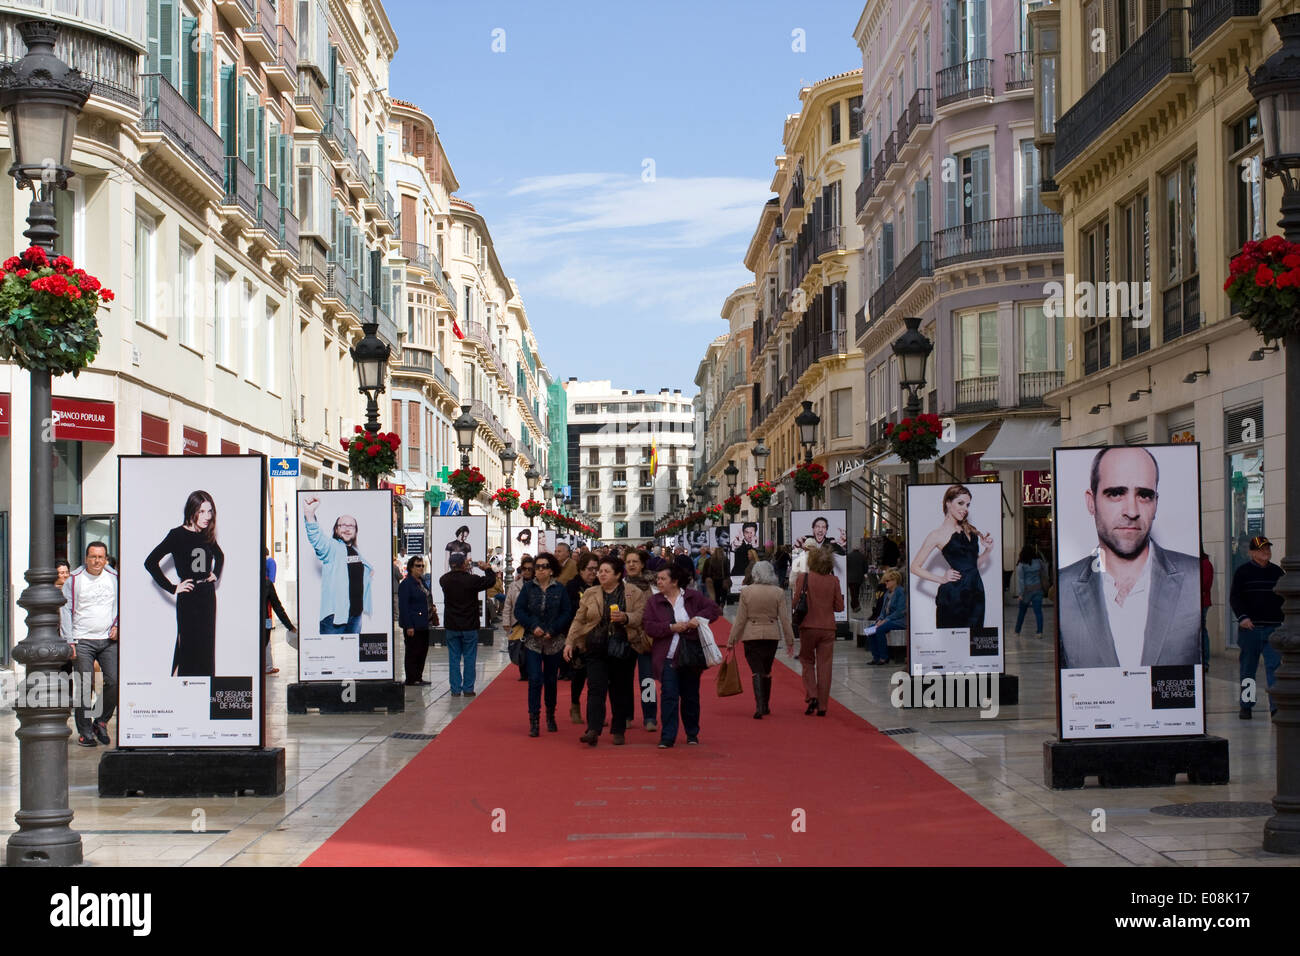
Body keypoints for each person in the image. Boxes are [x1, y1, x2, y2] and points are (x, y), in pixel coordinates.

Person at [1058, 446, 1201, 669]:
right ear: (1091, 501)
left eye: (1144, 495)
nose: (1131, 511)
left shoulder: (1193, 577)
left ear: (1156, 503)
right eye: (1115, 493)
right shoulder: (1064, 586)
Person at [564, 555, 649, 746]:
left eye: (605, 571)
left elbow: (641, 615)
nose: (600, 574)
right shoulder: (591, 593)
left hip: (623, 647)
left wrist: (626, 617)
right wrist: (570, 642)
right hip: (596, 646)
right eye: (599, 571)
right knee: (596, 688)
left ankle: (618, 729)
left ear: (618, 574)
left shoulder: (633, 592)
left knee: (620, 689)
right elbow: (579, 619)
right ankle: (593, 729)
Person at [144, 490, 224, 677]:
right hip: (188, 596)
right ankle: (182, 689)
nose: (207, 517)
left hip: (207, 595)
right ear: (191, 511)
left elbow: (220, 555)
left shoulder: (207, 535)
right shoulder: (176, 535)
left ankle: (204, 690)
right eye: (202, 511)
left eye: (210, 511)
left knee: (206, 644)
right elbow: (150, 562)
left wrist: (216, 574)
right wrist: (173, 587)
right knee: (187, 644)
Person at [642, 563, 722, 748]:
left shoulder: (693, 597)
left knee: (690, 696)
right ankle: (668, 736)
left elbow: (713, 610)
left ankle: (692, 732)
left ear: (675, 581)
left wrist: (698, 619)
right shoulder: (654, 602)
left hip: (691, 655)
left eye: (663, 579)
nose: (659, 582)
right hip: (667, 657)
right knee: (668, 695)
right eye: (658, 579)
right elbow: (649, 626)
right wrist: (670, 628)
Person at [909, 485, 994, 630]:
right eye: (960, 503)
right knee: (952, 644)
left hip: (976, 592)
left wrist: (988, 550)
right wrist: (941, 579)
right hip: (954, 595)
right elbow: (914, 567)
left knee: (973, 644)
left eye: (967, 505)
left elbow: (972, 565)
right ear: (948, 503)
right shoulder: (937, 535)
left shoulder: (969, 530)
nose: (965, 508)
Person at [62, 542, 118, 747]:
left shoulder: (114, 578)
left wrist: (117, 625)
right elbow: (65, 610)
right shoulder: (75, 579)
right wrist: (70, 640)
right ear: (86, 558)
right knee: (85, 687)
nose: (97, 561)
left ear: (105, 559)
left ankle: (101, 720)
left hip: (108, 640)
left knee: (115, 682)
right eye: (93, 557)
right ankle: (85, 732)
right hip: (82, 640)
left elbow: (122, 603)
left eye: (100, 557)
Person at [514, 552, 574, 736]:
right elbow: (519, 610)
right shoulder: (528, 588)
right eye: (537, 567)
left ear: (551, 570)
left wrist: (553, 629)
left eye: (544, 566)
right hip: (533, 641)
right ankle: (534, 719)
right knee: (534, 679)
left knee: (550, 680)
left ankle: (550, 715)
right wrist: (533, 626)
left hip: (553, 642)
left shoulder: (559, 589)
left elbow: (566, 612)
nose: (540, 570)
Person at [725, 561, 793, 719]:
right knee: (767, 670)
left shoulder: (747, 592)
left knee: (756, 670)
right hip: (771, 634)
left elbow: (740, 619)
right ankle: (765, 704)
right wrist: (790, 641)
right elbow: (784, 619)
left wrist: (731, 640)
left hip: (751, 635)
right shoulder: (778, 592)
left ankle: (759, 705)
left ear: (754, 574)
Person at [301, 496, 372, 636]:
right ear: (336, 529)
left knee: (352, 657)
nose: (347, 529)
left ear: (356, 530)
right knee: (332, 656)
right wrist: (309, 515)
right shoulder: (332, 547)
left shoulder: (356, 552)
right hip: (334, 618)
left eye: (351, 526)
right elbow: (318, 539)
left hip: (355, 617)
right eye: (342, 525)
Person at [1230, 535, 1284, 719]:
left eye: (1268, 549)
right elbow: (1235, 598)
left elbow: (1284, 599)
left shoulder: (1278, 572)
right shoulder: (1242, 572)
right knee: (1248, 669)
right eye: (1261, 550)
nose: (1266, 552)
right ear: (1252, 553)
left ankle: (1275, 707)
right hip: (1250, 630)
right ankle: (1247, 705)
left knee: (1275, 668)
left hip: (1273, 629)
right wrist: (1243, 618)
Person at [793, 546, 843, 715]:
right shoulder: (834, 581)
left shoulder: (803, 578)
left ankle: (812, 694)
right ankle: (823, 706)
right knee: (825, 665)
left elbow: (795, 603)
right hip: (828, 627)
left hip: (808, 626)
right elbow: (839, 607)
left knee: (807, 661)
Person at [440, 552, 493, 697]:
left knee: (454, 658)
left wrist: (465, 566)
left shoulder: (444, 580)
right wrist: (486, 568)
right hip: (469, 625)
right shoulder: (472, 580)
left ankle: (455, 689)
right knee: (470, 658)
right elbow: (490, 581)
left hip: (452, 625)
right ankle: (468, 688)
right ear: (463, 564)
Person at [623, 549, 658, 732]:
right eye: (628, 561)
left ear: (642, 564)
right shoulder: (620, 584)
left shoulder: (654, 584)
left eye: (635, 561)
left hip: (647, 639)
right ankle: (627, 715)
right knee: (625, 680)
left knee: (647, 680)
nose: (631, 565)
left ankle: (650, 716)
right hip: (626, 638)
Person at [564, 553, 600, 723]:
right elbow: (571, 613)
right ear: (581, 570)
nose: (593, 572)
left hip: (599, 637)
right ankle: (575, 704)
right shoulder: (572, 587)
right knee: (579, 675)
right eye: (590, 569)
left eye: (596, 569)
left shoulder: (601, 584)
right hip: (580, 637)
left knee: (598, 678)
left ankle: (595, 711)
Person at [398, 556, 437, 686]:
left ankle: (418, 677)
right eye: (417, 566)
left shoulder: (422, 581)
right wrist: (409, 626)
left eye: (422, 566)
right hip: (413, 624)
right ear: (411, 567)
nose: (420, 568)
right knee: (412, 652)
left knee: (422, 651)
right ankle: (411, 678)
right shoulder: (406, 584)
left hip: (424, 623)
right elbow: (404, 607)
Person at [502, 557, 534, 681]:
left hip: (532, 621)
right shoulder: (514, 585)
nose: (526, 571)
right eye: (524, 569)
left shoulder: (538, 584)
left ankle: (532, 671)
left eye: (529, 569)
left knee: (532, 648)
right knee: (520, 647)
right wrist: (506, 622)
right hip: (517, 622)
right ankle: (523, 672)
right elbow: (508, 605)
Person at [262, 559, 296, 675]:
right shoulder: (267, 583)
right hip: (266, 619)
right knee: (266, 642)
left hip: (259, 620)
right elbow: (278, 607)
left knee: (266, 643)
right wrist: (290, 626)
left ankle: (266, 667)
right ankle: (268, 667)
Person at [869, 569, 906, 665]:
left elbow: (900, 611)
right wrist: (880, 619)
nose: (885, 583)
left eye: (887, 581)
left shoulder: (900, 592)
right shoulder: (887, 593)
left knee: (880, 629)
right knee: (869, 630)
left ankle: (884, 657)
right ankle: (876, 657)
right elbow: (882, 611)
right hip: (887, 620)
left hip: (899, 621)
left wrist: (885, 620)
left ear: (894, 581)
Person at [1014, 545, 1047, 637]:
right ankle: (1039, 632)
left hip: (1026, 591)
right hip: (1038, 589)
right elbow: (1045, 572)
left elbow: (1021, 580)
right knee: (1038, 612)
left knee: (1022, 612)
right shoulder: (1039, 562)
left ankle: (1017, 631)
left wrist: (1020, 594)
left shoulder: (1021, 565)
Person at [1200, 551, 1214, 667]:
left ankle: (1205, 662)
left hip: (1202, 602)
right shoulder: (1203, 563)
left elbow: (1205, 584)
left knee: (1202, 631)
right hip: (1198, 601)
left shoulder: (1205, 563)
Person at [847, 543, 866, 612]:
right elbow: (865, 567)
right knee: (857, 592)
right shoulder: (862, 556)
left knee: (853, 592)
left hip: (851, 578)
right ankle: (855, 605)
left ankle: (855, 605)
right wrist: (863, 573)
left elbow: (846, 566)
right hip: (859, 578)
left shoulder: (849, 556)